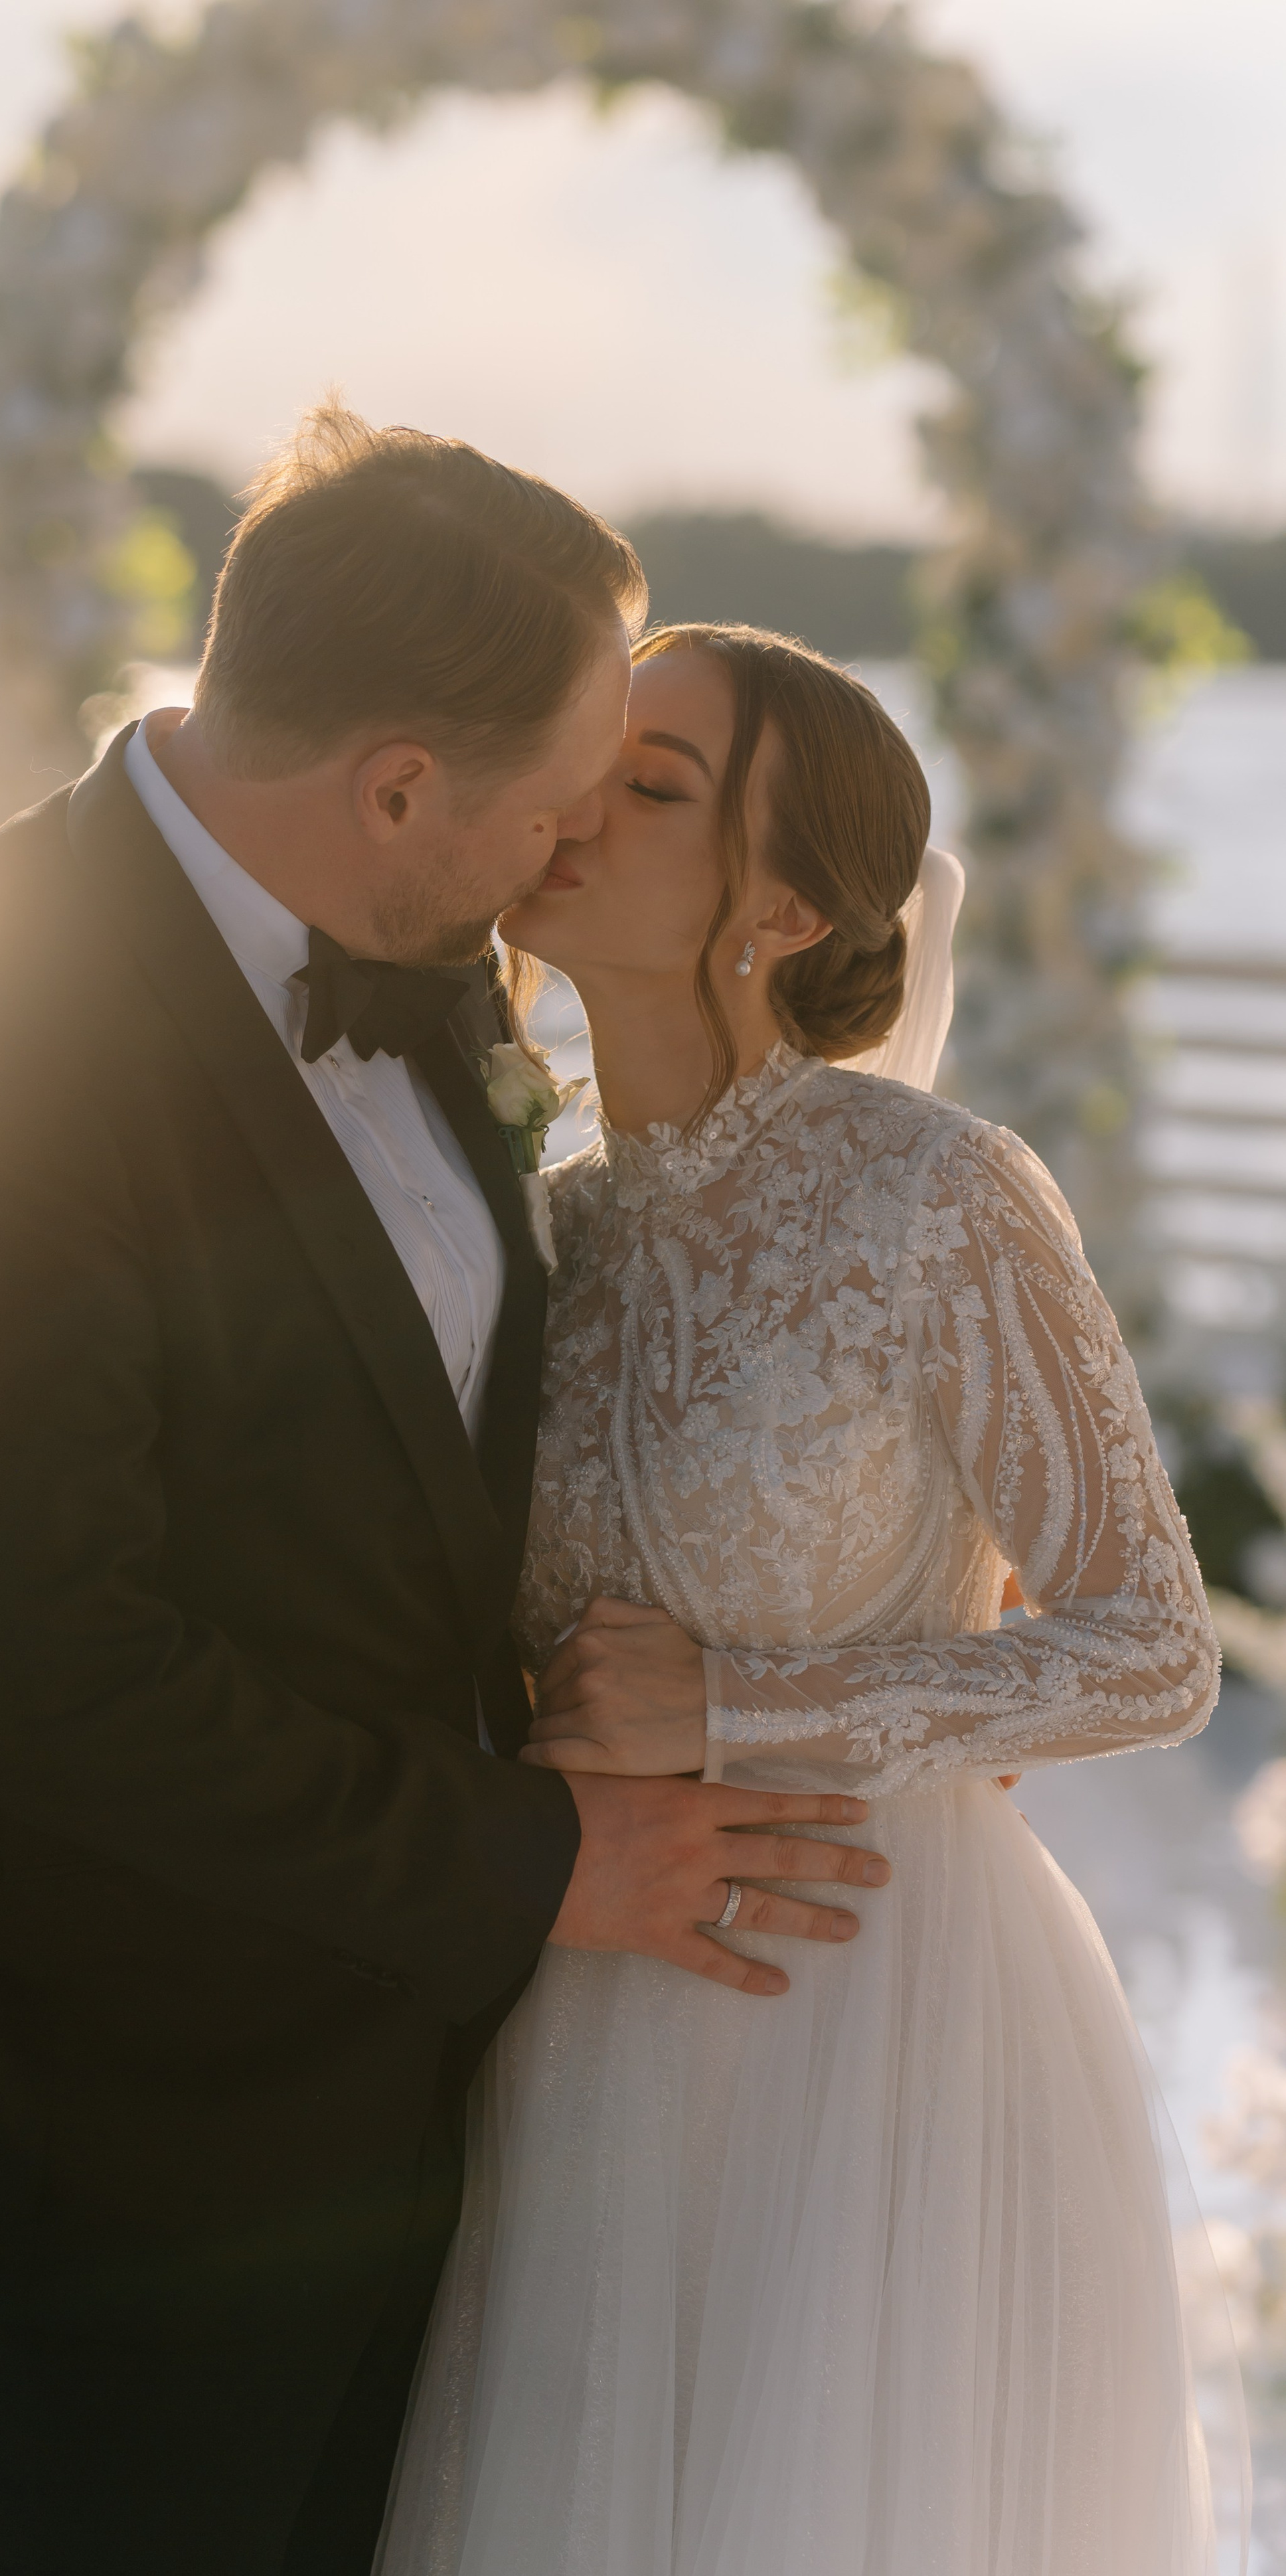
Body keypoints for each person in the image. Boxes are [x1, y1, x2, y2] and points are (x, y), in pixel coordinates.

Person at [0, 419, 890, 2575]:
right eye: (551, 812)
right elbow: (42, 1671)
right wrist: (538, 1861)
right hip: (86, 2154)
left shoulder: (418, 959)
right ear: (394, 788)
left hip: (396, 2102)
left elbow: (422, 1462)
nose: (560, 864)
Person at [377, 623, 1234, 2575]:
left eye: (654, 787)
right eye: (590, 761)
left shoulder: (940, 1195)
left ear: (782, 905)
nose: (579, 808)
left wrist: (746, 1705)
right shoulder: (551, 1226)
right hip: (594, 2014)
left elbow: (1153, 1640)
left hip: (882, 2025)